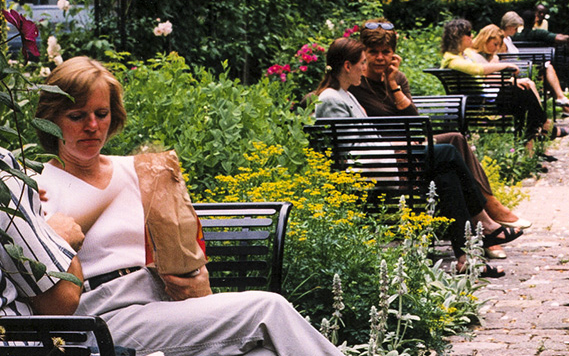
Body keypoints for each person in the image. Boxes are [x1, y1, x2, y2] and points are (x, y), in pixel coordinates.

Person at [35, 56, 345, 356]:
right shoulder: (39, 186)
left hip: (162, 306)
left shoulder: (140, 170)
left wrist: (196, 277)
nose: (92, 126)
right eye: (77, 116)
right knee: (269, 309)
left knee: (262, 353)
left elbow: (180, 245)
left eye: (101, 113)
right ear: (51, 119)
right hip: (102, 319)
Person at [312, 38, 519, 274]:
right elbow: (350, 151)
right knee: (449, 151)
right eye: (361, 62)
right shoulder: (330, 98)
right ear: (347, 66)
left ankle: (465, 258)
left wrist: (395, 146)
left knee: (446, 175)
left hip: (381, 162)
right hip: (373, 170)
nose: (364, 67)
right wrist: (396, 148)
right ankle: (482, 220)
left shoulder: (344, 94)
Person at [348, 21, 532, 257]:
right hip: (388, 154)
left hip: (411, 146)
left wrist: (393, 84)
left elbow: (414, 122)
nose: (380, 58)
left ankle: (485, 226)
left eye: (386, 52)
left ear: (394, 54)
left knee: (455, 139)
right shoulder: (356, 81)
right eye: (373, 52)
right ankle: (489, 217)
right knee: (451, 150)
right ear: (363, 52)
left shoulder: (397, 78)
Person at [440, 18, 566, 144]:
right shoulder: (452, 60)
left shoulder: (465, 54)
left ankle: (537, 136)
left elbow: (483, 71)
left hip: (485, 97)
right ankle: (543, 128)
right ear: (458, 36)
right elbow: (478, 70)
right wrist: (505, 66)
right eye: (468, 33)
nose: (472, 35)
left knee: (523, 93)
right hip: (479, 102)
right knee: (523, 94)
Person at [0, 147, 83, 317]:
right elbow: (62, 301)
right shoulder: (2, 165)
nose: (92, 126)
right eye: (75, 117)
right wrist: (58, 239)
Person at [475, 23, 569, 117]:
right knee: (527, 86)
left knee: (530, 82)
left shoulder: (490, 56)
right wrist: (510, 80)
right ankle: (542, 123)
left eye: (498, 45)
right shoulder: (476, 56)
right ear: (485, 39)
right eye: (495, 44)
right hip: (489, 94)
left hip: (498, 88)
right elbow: (486, 77)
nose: (497, 48)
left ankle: (541, 121)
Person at [506, 8, 569, 102]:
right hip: (543, 64)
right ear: (534, 20)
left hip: (525, 64)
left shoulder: (516, 37)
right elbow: (559, 39)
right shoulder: (539, 34)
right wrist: (568, 39)